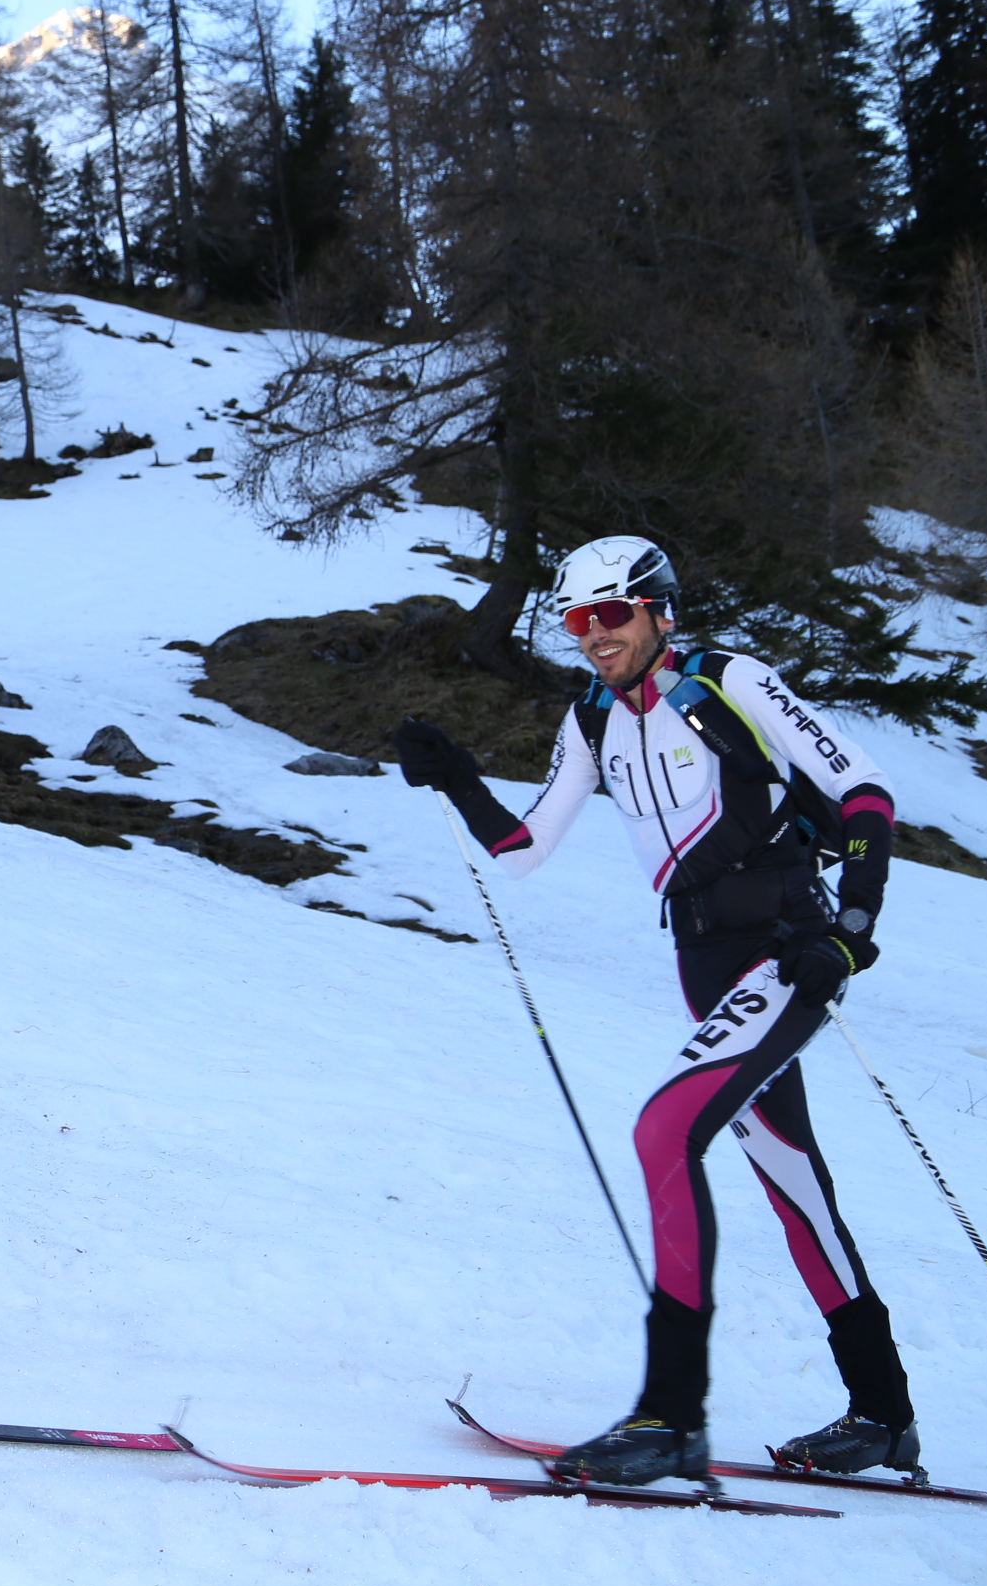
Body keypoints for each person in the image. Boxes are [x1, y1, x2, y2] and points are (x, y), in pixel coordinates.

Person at [392, 536, 915, 1487]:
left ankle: (671, 1418)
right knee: (793, 1183)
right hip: (704, 965)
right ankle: (884, 1416)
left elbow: (865, 789)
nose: (593, 635)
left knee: (665, 1131)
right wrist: (459, 779)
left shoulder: (729, 681)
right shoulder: (591, 718)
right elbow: (522, 850)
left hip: (787, 951)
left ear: (658, 612)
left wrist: (851, 929)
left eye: (611, 614)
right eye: (576, 619)